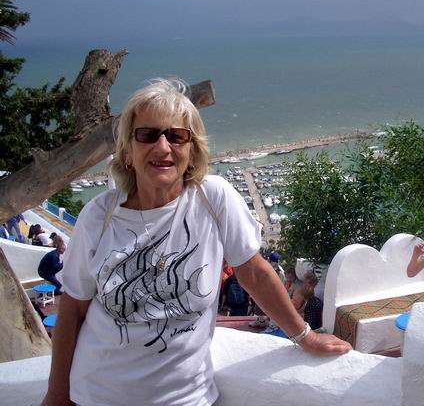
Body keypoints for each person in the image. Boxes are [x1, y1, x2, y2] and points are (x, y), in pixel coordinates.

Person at [42, 78, 351, 406]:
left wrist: (305, 336)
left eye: (176, 136)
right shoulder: (98, 216)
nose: (163, 147)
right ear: (128, 152)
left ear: (191, 152)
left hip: (187, 398)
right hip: (97, 395)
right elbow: (73, 309)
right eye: (147, 135)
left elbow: (255, 273)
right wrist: (57, 395)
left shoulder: (212, 199)